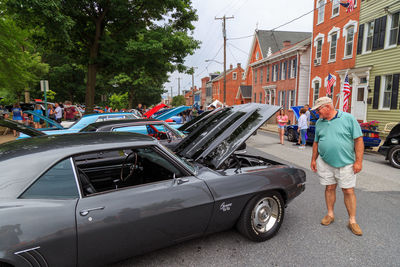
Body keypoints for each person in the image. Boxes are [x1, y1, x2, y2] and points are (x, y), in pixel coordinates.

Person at [310, 96, 364, 236]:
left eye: (318, 109)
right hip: (325, 162)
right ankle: (330, 214)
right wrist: (313, 160)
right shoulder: (319, 123)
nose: (317, 113)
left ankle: (352, 220)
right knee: (329, 188)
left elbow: (358, 140)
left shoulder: (348, 118)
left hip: (346, 163)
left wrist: (358, 161)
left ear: (327, 107)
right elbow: (316, 142)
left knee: (348, 191)